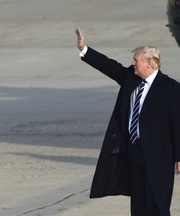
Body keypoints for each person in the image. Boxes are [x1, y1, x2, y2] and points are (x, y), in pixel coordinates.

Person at [75, 27, 180, 216]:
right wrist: (84, 49)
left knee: (157, 205)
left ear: (150, 63)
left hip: (159, 157)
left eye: (136, 60)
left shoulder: (171, 88)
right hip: (134, 152)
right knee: (138, 206)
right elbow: (109, 65)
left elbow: (178, 124)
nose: (132, 63)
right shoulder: (130, 79)